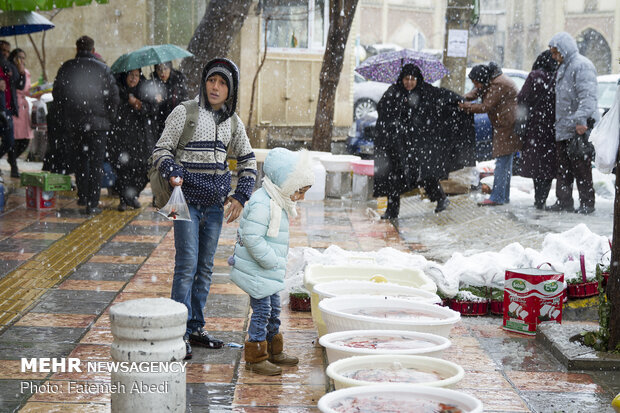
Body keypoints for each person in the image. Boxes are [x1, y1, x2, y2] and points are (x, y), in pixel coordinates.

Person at [151, 58, 257, 360]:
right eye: (212, 80)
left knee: (205, 267)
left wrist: (241, 196)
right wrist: (171, 168)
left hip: (214, 208)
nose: (215, 87)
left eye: (222, 83)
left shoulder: (233, 123)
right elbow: (161, 149)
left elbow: (248, 161)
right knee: (187, 264)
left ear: (230, 90)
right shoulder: (185, 112)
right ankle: (177, 332)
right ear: (204, 82)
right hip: (183, 202)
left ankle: (195, 328)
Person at [229, 148, 314, 376]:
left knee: (274, 308)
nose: (301, 197)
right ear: (285, 183)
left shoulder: (277, 199)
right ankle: (256, 357)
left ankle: (274, 351)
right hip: (258, 270)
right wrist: (272, 260)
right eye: (300, 191)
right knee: (262, 311)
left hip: (267, 271)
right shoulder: (263, 203)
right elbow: (252, 237)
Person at [373, 64, 473, 219]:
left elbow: (443, 97)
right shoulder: (394, 92)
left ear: (418, 79)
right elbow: (382, 109)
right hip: (398, 143)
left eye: (413, 79)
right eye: (406, 79)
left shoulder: (426, 91)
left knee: (423, 172)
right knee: (395, 175)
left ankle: (440, 198)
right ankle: (392, 211)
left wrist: (459, 102)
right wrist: (399, 107)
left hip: (418, 142)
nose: (409, 82)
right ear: (402, 79)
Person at [52, 35, 119, 214]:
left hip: (74, 124)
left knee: (80, 160)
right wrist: (107, 118)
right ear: (92, 49)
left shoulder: (67, 68)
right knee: (96, 163)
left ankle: (83, 196)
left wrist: (66, 117)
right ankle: (93, 202)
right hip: (98, 126)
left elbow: (57, 95)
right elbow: (113, 97)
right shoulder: (103, 68)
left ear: (77, 48)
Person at [546, 32, 598, 215]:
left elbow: (588, 96)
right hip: (563, 127)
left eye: (555, 52)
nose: (553, 56)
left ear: (563, 50)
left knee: (581, 169)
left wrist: (581, 120)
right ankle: (564, 201)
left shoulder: (581, 66)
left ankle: (587, 203)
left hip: (577, 129)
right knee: (564, 169)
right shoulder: (563, 68)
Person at [459, 62, 520, 206]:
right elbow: (477, 91)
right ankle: (503, 196)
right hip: (506, 123)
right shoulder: (492, 80)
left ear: (482, 79)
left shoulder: (498, 84)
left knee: (501, 162)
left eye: (476, 82)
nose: (476, 85)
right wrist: (461, 97)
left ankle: (497, 197)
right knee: (505, 162)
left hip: (507, 125)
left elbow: (485, 106)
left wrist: (465, 106)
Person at [517, 50, 559, 210]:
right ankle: (543, 196)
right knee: (548, 165)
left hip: (535, 125)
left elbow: (522, 98)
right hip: (553, 126)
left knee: (537, 163)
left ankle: (539, 199)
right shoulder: (557, 77)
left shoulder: (535, 76)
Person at [109, 69, 155, 211]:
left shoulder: (145, 89)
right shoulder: (118, 90)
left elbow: (152, 109)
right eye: (131, 75)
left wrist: (139, 105)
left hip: (140, 137)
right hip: (121, 136)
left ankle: (132, 195)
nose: (133, 79)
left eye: (136, 76)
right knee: (123, 169)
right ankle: (124, 199)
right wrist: (127, 100)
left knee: (144, 169)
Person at [0, 40, 25, 178]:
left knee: (9, 141)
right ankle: (14, 167)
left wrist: (21, 72)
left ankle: (14, 166)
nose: (5, 53)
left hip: (8, 109)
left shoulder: (9, 66)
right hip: (1, 108)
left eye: (8, 51)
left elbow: (20, 85)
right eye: (3, 50)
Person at [8, 49, 33, 176]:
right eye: (19, 57)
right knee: (13, 139)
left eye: (23, 58)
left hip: (23, 109)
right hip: (13, 107)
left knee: (25, 140)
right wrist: (20, 73)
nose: (21, 60)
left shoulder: (26, 72)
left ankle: (12, 159)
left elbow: (27, 90)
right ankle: (14, 166)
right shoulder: (11, 70)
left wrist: (39, 91)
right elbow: (19, 86)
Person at [149, 61, 188, 138]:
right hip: (158, 126)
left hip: (176, 123)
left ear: (170, 69)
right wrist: (155, 100)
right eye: (159, 69)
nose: (162, 72)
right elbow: (151, 109)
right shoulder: (152, 84)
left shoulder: (178, 82)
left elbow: (184, 101)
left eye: (165, 68)